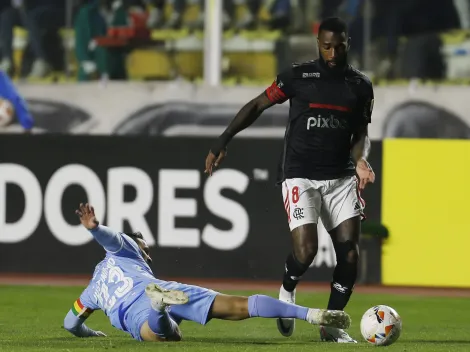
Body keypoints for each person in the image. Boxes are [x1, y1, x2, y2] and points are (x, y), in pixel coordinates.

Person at [204, 17, 375, 343]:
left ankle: (332, 325)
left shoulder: (360, 86)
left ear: (348, 43)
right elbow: (257, 104)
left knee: (350, 254)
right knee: (307, 249)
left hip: (340, 177)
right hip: (299, 175)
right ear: (318, 44)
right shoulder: (298, 77)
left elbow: (360, 134)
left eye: (339, 45)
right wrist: (223, 139)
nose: (333, 52)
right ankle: (288, 286)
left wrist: (361, 160)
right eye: (327, 46)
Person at [63, 203, 351, 342]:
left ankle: (159, 307)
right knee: (240, 305)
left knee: (165, 336)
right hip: (157, 290)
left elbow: (70, 324)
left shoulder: (91, 293)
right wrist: (95, 229)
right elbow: (112, 238)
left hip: (137, 307)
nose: (147, 252)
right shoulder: (125, 247)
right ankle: (311, 314)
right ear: (138, 245)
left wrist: (92, 334)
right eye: (145, 248)